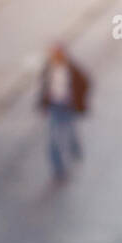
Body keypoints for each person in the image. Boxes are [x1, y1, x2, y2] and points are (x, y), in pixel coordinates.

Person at [38, 41, 89, 183]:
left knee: (69, 131)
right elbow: (44, 87)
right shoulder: (48, 69)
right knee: (54, 139)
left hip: (68, 106)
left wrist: (78, 100)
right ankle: (58, 168)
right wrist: (44, 104)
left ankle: (74, 147)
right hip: (55, 106)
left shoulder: (72, 69)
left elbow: (85, 83)